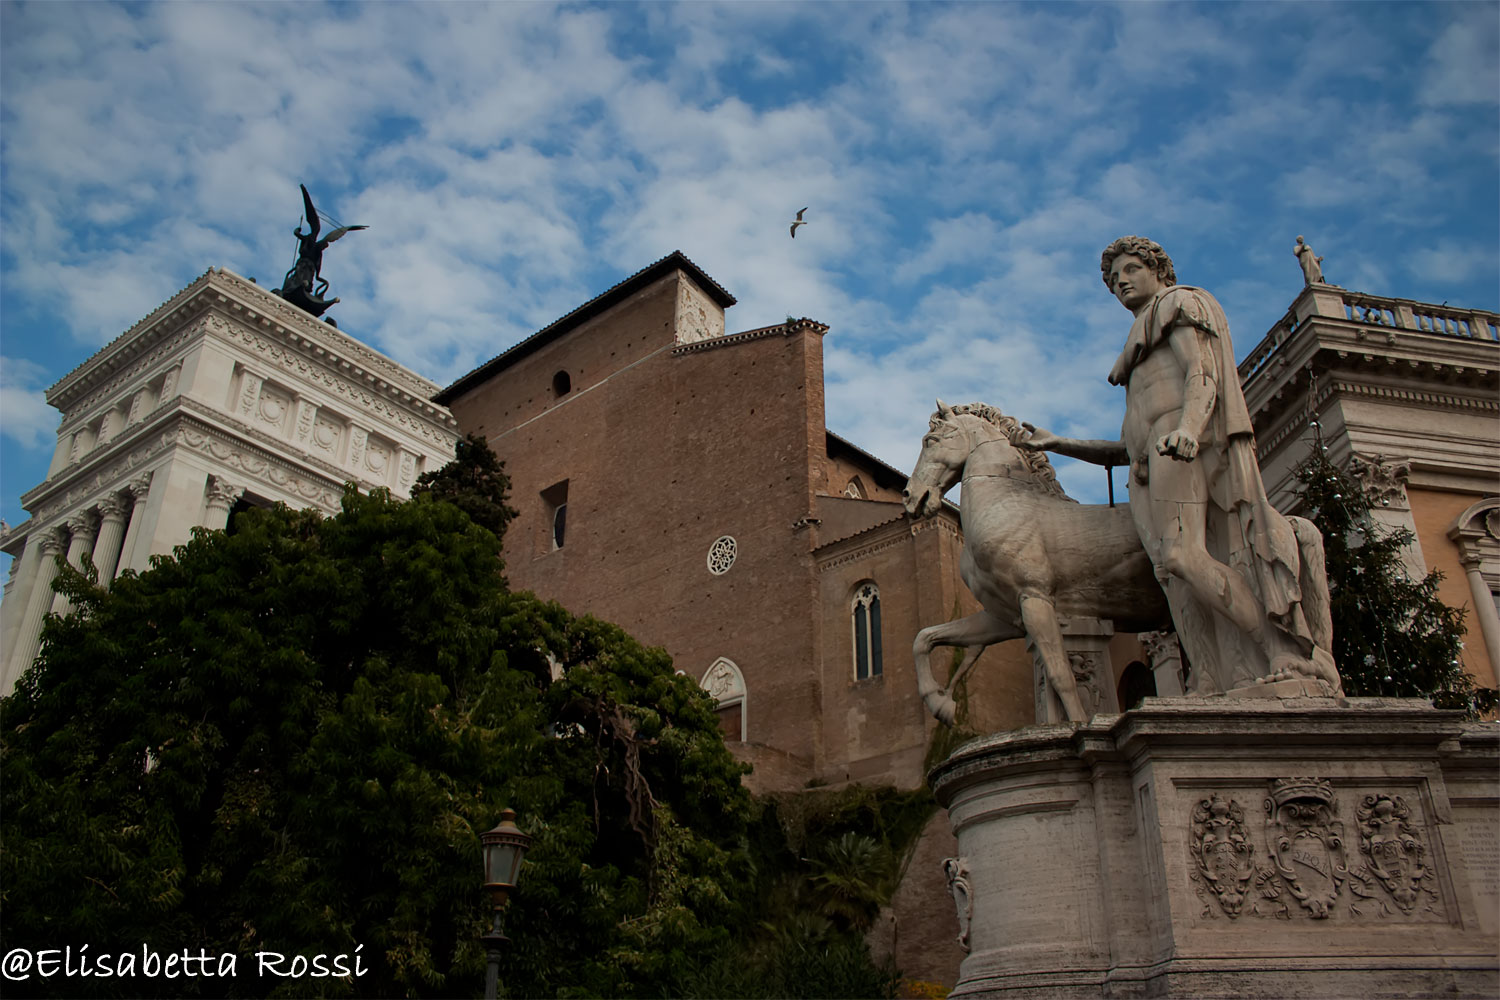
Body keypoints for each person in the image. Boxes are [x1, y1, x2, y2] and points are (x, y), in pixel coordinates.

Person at [1016, 236, 1338, 696]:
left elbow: (1201, 373)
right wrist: (1060, 442)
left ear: (1157, 269)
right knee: (1172, 577)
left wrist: (1189, 426)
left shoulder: (1179, 304)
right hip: (1150, 462)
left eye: (1128, 270)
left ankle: (1278, 648)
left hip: (1182, 444)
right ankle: (1209, 676)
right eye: (1112, 280)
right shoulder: (1138, 340)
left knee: (1181, 556)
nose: (1119, 282)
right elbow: (1128, 445)